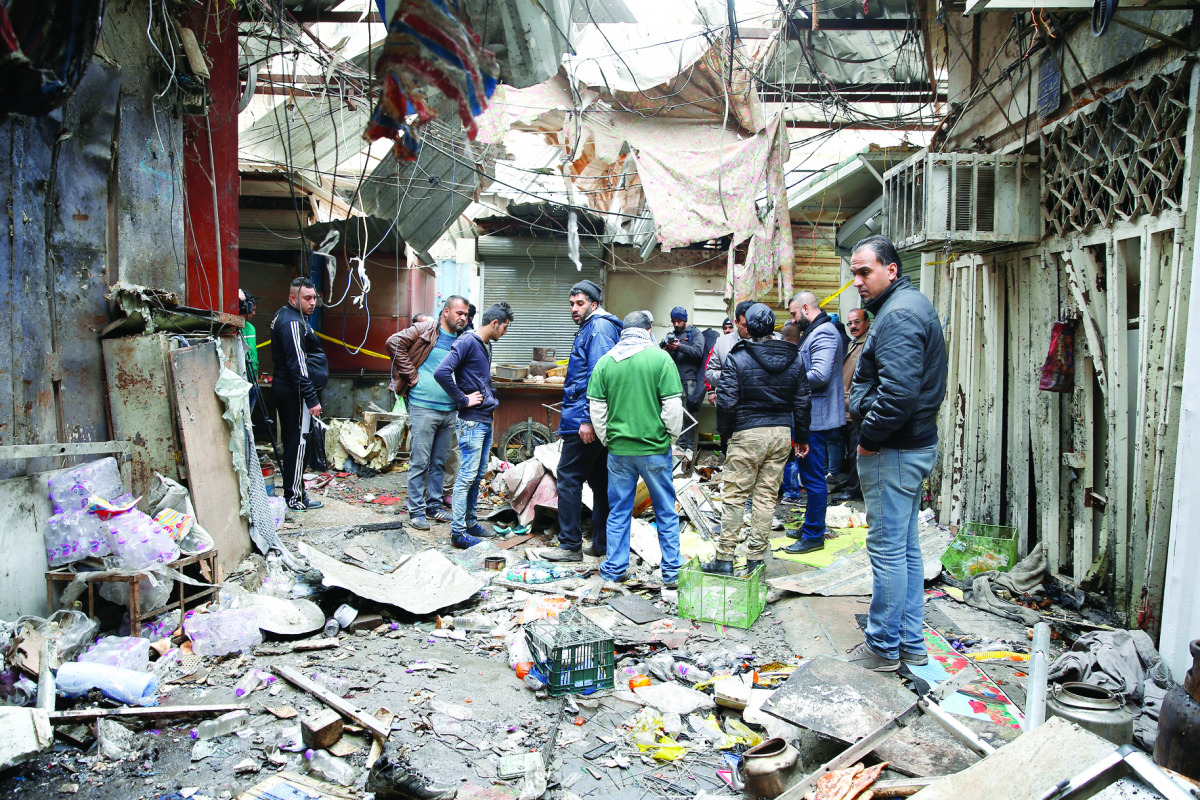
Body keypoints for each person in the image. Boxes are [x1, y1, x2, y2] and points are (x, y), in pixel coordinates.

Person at [845, 235, 947, 672]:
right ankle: (908, 642)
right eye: (853, 273)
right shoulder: (902, 307)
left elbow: (899, 395)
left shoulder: (900, 314)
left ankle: (884, 647)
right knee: (904, 549)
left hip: (894, 448)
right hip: (906, 446)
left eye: (864, 271)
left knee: (889, 551)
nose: (858, 282)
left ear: (890, 269)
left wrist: (868, 437)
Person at [705, 304, 811, 577]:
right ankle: (755, 559)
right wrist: (801, 437)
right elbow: (802, 402)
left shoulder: (738, 356)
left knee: (735, 496)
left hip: (747, 432)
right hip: (781, 435)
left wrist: (726, 436)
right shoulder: (795, 357)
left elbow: (726, 402)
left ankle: (725, 558)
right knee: (766, 498)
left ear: (748, 328)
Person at [587, 311, 684, 588]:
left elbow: (597, 408)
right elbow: (672, 407)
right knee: (665, 510)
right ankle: (672, 573)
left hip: (619, 451)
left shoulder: (606, 362)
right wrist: (670, 439)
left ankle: (615, 569)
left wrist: (609, 440)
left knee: (618, 511)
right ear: (648, 329)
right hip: (654, 449)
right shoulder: (660, 359)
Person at [541, 280, 622, 563]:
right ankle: (601, 543)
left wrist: (589, 419)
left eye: (580, 304)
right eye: (572, 304)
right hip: (590, 417)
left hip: (585, 419)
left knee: (568, 477)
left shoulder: (598, 328)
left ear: (594, 304)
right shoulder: (592, 327)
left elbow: (599, 376)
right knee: (600, 482)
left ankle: (570, 545)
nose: (574, 309)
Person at [385, 296, 470, 531]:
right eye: (459, 313)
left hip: (449, 409)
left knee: (440, 462)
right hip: (423, 406)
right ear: (445, 312)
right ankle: (416, 511)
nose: (462, 317)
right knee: (419, 461)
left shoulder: (464, 339)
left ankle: (433, 507)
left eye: (465, 314)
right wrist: (411, 376)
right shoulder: (427, 329)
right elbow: (393, 342)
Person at [434, 302, 513, 549]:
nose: (505, 334)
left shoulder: (483, 345)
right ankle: (458, 532)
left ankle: (469, 523)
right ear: (494, 323)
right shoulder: (468, 341)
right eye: (505, 328)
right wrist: (463, 398)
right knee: (466, 477)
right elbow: (441, 372)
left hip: (484, 419)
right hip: (471, 422)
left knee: (477, 475)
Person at [781, 291, 845, 555]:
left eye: (795, 314)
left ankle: (814, 534)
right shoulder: (816, 332)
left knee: (814, 480)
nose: (793, 321)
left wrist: (786, 381)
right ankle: (811, 524)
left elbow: (819, 374)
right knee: (810, 476)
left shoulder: (824, 333)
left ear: (806, 308)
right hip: (811, 416)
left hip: (817, 418)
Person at [271, 277, 328, 511]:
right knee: (298, 444)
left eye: (314, 298)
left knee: (295, 442)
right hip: (294, 392)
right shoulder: (293, 323)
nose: (312, 302)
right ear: (293, 298)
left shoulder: (287, 316)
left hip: (290, 390)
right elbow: (298, 366)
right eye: (307, 298)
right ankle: (294, 497)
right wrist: (311, 398)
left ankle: (295, 493)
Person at [831, 308, 872, 502]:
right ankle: (851, 484)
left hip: (857, 406)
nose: (853, 326)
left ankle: (855, 490)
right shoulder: (853, 344)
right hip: (847, 406)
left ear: (867, 322)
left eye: (857, 322)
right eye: (850, 323)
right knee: (851, 448)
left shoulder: (868, 344)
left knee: (857, 450)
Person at [662, 306, 705, 452]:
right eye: (673, 321)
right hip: (674, 381)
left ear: (685, 320)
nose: (676, 324)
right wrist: (667, 350)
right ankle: (679, 446)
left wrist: (680, 347)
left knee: (689, 416)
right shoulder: (672, 335)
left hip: (689, 381)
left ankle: (690, 448)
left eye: (679, 321)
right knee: (675, 415)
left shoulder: (695, 333)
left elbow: (699, 352)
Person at [705, 300, 754, 398]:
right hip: (730, 402)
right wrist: (730, 376)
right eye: (744, 325)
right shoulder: (721, 342)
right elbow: (710, 373)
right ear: (736, 322)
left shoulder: (767, 341)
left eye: (751, 323)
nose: (748, 329)